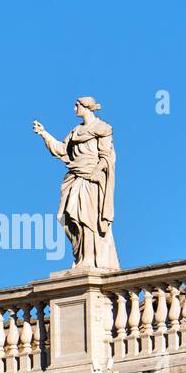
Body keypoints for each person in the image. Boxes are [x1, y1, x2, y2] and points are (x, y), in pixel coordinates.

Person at [32, 96, 119, 270]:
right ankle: (81, 256)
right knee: (66, 216)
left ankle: (89, 258)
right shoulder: (75, 131)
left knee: (87, 217)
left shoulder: (102, 128)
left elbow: (107, 156)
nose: (74, 109)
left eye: (76, 105)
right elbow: (61, 151)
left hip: (91, 178)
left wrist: (95, 172)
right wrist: (44, 133)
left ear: (86, 107)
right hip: (76, 176)